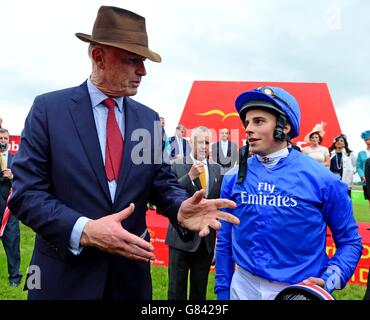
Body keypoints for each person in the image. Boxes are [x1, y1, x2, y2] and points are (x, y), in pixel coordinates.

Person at [8, 6, 239, 300]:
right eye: (133, 60)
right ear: (99, 56)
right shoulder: (49, 110)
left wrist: (180, 208)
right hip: (62, 278)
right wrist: (86, 230)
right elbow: (26, 195)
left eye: (142, 61)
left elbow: (161, 183)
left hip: (129, 281)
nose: (143, 71)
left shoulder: (149, 119)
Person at [214, 86, 362, 300]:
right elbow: (225, 240)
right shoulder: (233, 177)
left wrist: (330, 279)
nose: (248, 129)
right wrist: (222, 291)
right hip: (242, 286)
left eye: (259, 121)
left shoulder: (324, 179)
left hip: (298, 290)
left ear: (285, 127)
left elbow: (350, 241)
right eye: (246, 122)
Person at [165, 126, 222, 300]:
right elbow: (168, 197)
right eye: (200, 142)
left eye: (207, 142)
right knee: (176, 289)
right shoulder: (176, 165)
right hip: (181, 238)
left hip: (205, 242)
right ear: (191, 143)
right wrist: (189, 177)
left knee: (200, 291)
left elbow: (217, 205)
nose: (204, 146)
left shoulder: (217, 169)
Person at [0, 128, 22, 287]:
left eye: (6, 138)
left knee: (12, 243)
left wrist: (12, 176)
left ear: (9, 141)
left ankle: (15, 278)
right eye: (0, 138)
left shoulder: (16, 160)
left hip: (9, 210)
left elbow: (25, 180)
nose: (3, 140)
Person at [356, 130, 370, 207]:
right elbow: (359, 166)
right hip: (366, 180)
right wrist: (362, 175)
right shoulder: (361, 153)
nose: (368, 141)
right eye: (366, 139)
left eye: (369, 139)